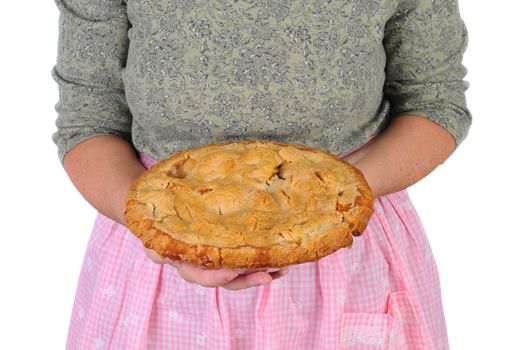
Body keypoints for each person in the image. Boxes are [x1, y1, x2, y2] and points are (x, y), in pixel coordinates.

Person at [51, 0, 471, 349]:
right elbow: (89, 120)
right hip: (158, 265)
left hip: (350, 250)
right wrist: (161, 234)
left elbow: (434, 102)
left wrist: (332, 201)